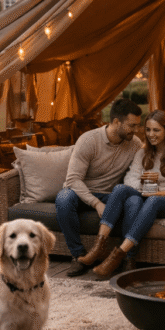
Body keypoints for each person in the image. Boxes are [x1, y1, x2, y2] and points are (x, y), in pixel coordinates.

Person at [81, 109, 165, 279]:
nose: (151, 134)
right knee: (121, 190)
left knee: (155, 200)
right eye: (148, 130)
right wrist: (142, 191)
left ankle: (118, 255)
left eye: (156, 130)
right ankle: (99, 246)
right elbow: (131, 178)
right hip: (152, 197)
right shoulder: (142, 153)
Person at [56, 98, 143, 277]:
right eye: (131, 126)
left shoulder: (134, 143)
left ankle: (127, 258)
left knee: (134, 200)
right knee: (63, 199)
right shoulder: (89, 140)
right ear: (116, 122)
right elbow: (73, 179)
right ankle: (78, 256)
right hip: (82, 193)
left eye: (137, 126)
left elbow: (154, 143)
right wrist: (95, 203)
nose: (136, 131)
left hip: (112, 196)